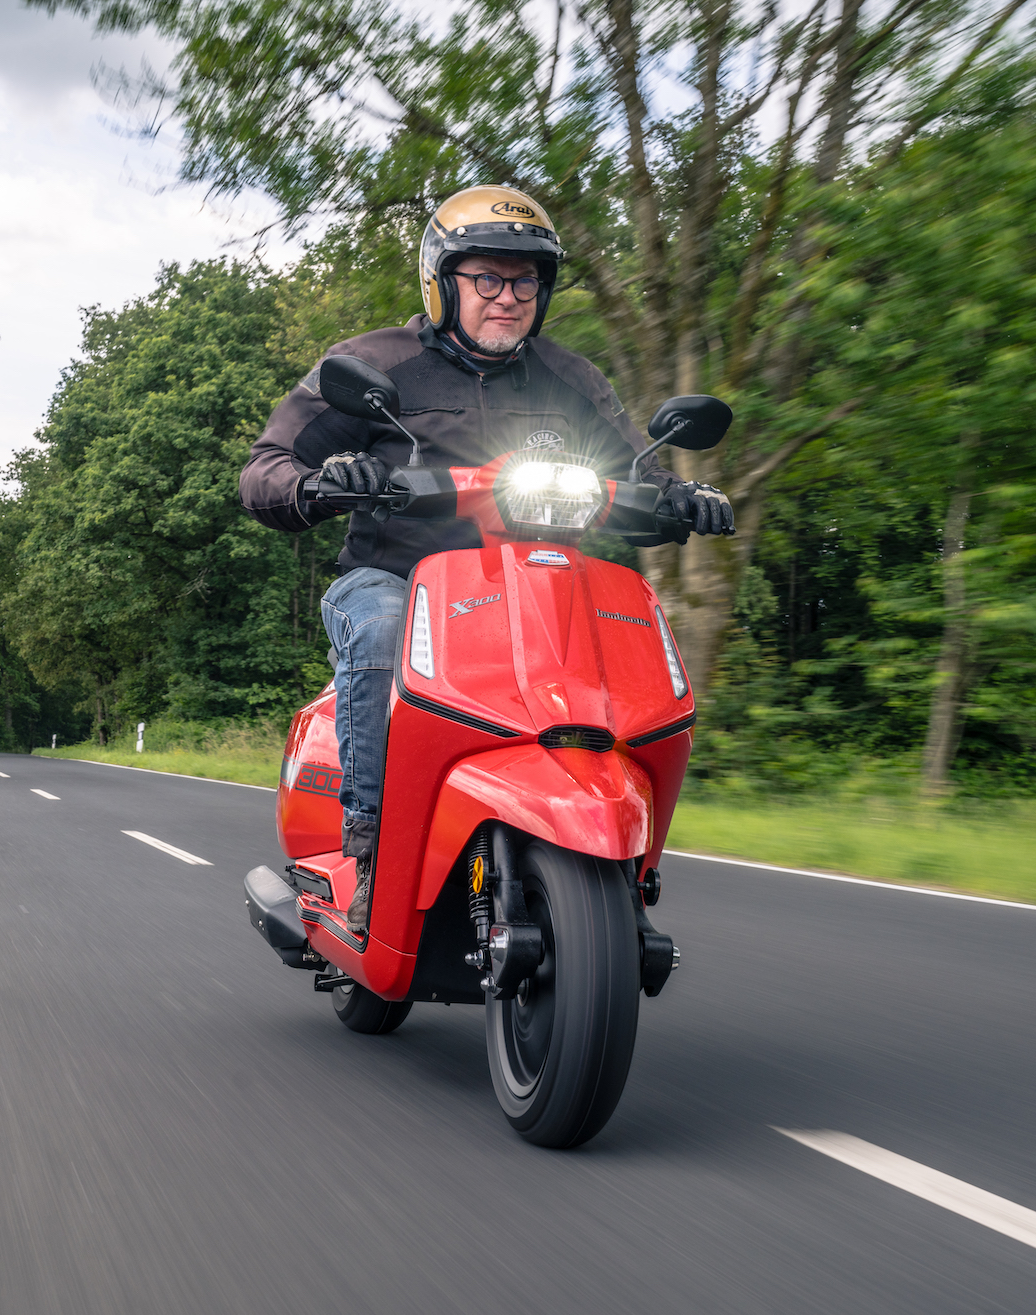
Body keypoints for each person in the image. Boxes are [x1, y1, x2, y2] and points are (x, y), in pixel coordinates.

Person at [241, 185, 734, 934]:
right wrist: (324, 482)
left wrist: (681, 497)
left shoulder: (571, 378)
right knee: (378, 633)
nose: (509, 297)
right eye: (488, 279)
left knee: (639, 655)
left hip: (536, 591)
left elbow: (637, 470)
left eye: (526, 280)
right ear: (443, 281)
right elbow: (266, 466)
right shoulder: (373, 364)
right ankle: (372, 846)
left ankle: (630, 871)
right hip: (395, 577)